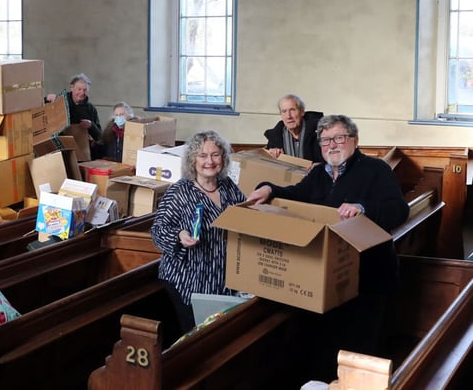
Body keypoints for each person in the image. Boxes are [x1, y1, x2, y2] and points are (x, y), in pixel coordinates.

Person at [248, 114, 409, 381]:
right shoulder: (319, 175)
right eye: (324, 141)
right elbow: (296, 194)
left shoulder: (375, 170)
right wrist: (268, 189)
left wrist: (362, 209)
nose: (331, 145)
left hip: (369, 279)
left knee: (359, 354)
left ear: (354, 141)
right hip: (330, 280)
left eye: (338, 138)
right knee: (324, 350)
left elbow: (398, 210)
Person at [151, 130, 247, 333]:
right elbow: (158, 230)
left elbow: (244, 220)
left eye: (215, 154)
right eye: (202, 156)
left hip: (223, 280)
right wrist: (179, 236)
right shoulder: (180, 191)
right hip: (189, 282)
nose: (209, 161)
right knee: (195, 340)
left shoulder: (228, 187)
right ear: (192, 160)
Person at [45, 73, 102, 148]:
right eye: (79, 89)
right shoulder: (60, 101)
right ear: (72, 87)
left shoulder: (91, 109)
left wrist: (91, 125)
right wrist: (46, 99)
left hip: (81, 149)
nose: (82, 93)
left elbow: (99, 137)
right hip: (59, 146)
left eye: (85, 90)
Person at [264, 94, 324, 163]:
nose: (288, 116)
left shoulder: (320, 132)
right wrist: (271, 153)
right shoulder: (275, 138)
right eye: (284, 111)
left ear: (302, 112)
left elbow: (330, 160)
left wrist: (320, 166)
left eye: (292, 110)